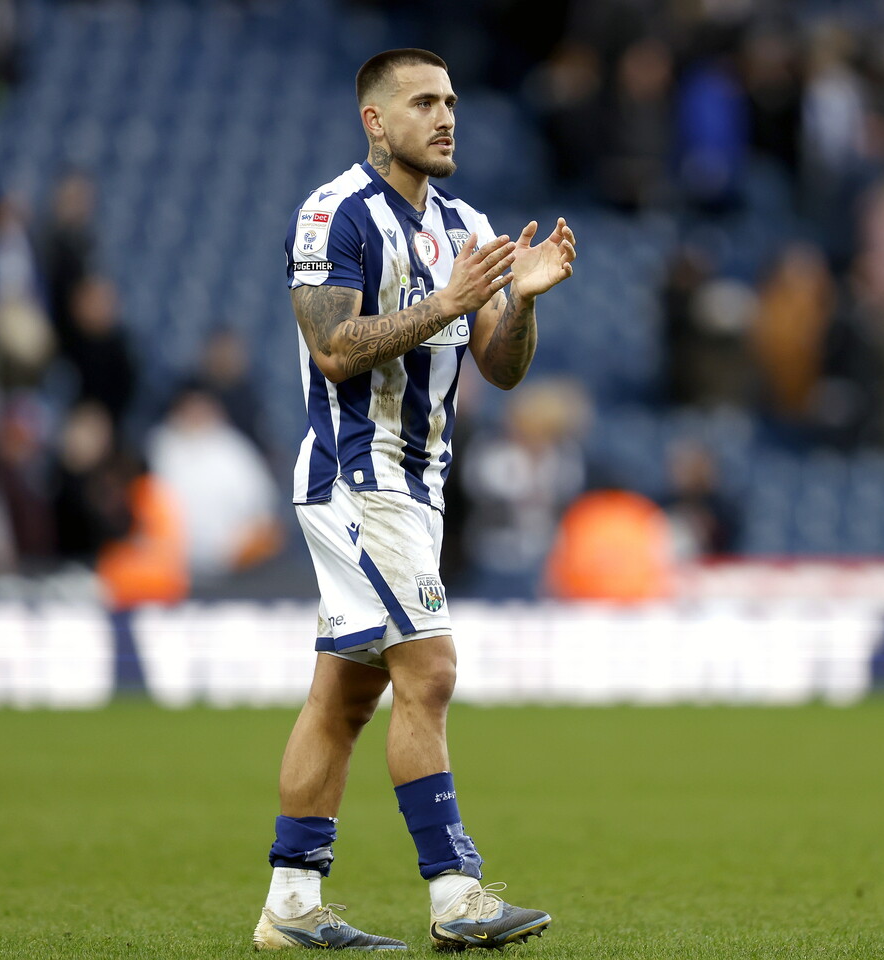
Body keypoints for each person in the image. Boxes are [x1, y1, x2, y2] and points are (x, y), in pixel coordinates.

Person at [253, 48, 576, 952]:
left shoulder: (466, 224)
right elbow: (333, 348)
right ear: (375, 120)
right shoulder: (333, 215)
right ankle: (454, 891)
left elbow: (502, 370)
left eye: (453, 103)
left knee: (345, 699)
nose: (446, 118)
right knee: (428, 672)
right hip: (356, 477)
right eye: (424, 102)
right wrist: (448, 303)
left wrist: (520, 299)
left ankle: (289, 905)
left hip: (418, 488)